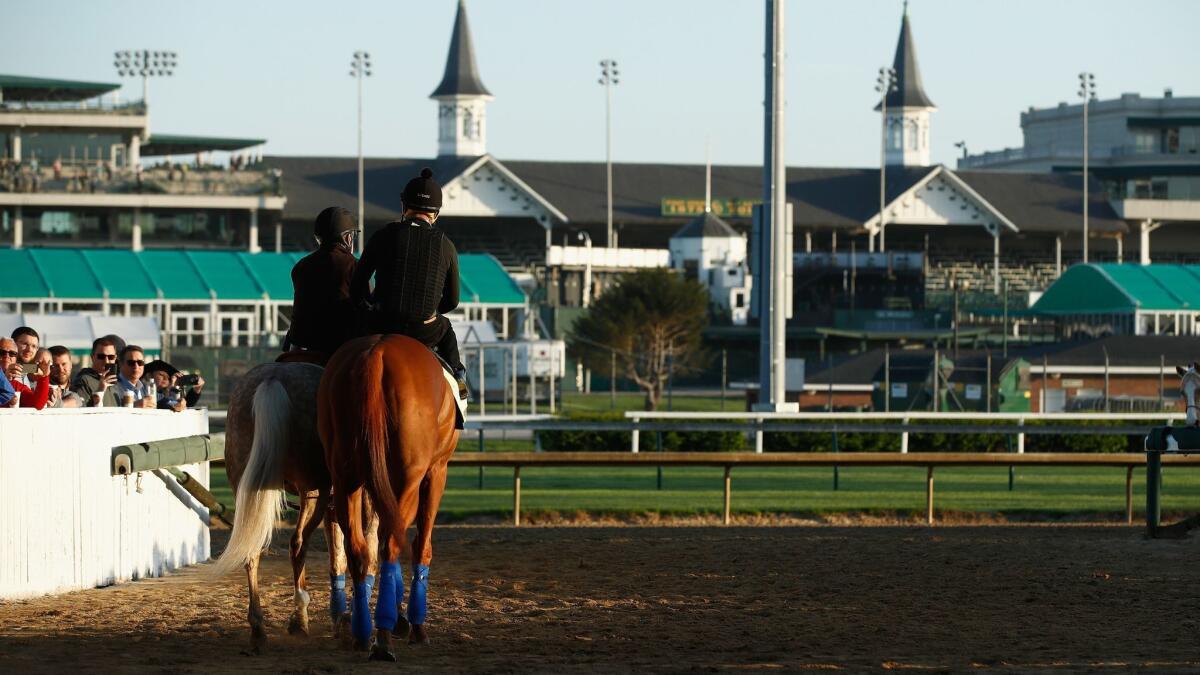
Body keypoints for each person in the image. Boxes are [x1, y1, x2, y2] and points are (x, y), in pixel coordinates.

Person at [351, 168, 468, 399]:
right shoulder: (446, 245)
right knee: (446, 328)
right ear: (436, 214)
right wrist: (430, 312)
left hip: (381, 323)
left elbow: (358, 283)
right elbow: (453, 300)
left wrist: (367, 307)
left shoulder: (384, 235)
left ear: (404, 207)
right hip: (423, 329)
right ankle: (460, 384)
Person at [285, 206, 359, 357]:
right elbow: (365, 304)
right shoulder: (352, 265)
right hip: (340, 346)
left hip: (300, 343)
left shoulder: (301, 266)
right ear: (348, 238)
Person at [1, 337, 49, 409]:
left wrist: (44, 377)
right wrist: (4, 380)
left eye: (12, 353)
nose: (7, 356)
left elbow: (37, 404)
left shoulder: (16, 384)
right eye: (1, 352)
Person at [71, 336, 120, 407]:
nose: (106, 361)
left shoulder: (115, 381)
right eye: (101, 356)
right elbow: (80, 410)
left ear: (115, 358)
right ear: (92, 357)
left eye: (110, 357)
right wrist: (100, 389)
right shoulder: (83, 380)